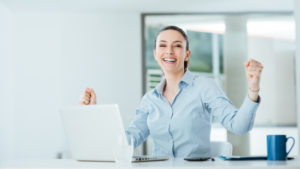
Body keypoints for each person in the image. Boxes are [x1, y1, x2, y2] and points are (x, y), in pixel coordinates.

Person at [80, 26, 263, 158]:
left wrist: (253, 88)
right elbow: (126, 142)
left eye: (177, 46)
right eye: (162, 45)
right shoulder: (150, 100)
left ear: (187, 54)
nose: (169, 51)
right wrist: (94, 114)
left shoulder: (205, 87)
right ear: (155, 53)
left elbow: (239, 126)